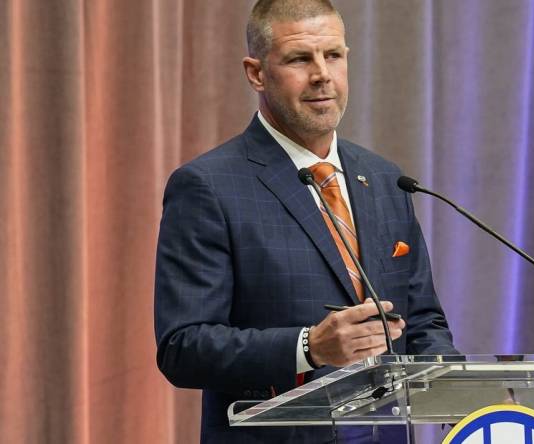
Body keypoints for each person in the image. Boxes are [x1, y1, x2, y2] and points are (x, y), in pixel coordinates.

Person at [154, 0, 457, 442]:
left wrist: (460, 388)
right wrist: (308, 347)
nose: (322, 74)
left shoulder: (386, 179)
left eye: (333, 55)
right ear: (256, 73)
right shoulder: (208, 187)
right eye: (299, 59)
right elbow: (183, 347)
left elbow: (424, 322)